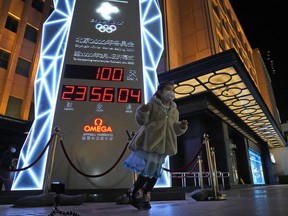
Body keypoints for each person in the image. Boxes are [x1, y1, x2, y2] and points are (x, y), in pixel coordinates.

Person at [123, 81, 188, 210]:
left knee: (155, 172)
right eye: (168, 89)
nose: (171, 92)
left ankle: (144, 193)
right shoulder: (152, 104)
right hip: (150, 142)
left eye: (173, 90)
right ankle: (135, 192)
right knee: (148, 170)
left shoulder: (174, 109)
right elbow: (142, 121)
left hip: (165, 144)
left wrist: (181, 126)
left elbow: (175, 128)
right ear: (160, 91)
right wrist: (142, 112)